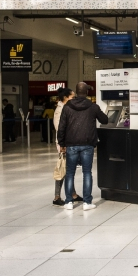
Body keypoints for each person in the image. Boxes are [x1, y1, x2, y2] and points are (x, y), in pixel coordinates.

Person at [57, 82, 108, 211]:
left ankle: (68, 202)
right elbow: (105, 120)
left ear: (76, 92)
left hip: (71, 144)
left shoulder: (67, 107)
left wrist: (61, 143)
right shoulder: (92, 107)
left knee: (70, 173)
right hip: (87, 144)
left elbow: (61, 127)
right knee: (87, 173)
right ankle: (87, 202)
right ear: (86, 93)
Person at [52, 87, 82, 207]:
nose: (74, 99)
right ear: (65, 98)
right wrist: (63, 145)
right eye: (72, 97)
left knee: (70, 169)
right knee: (62, 169)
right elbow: (60, 129)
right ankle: (57, 196)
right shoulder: (60, 110)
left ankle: (73, 194)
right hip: (64, 144)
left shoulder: (66, 108)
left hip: (68, 143)